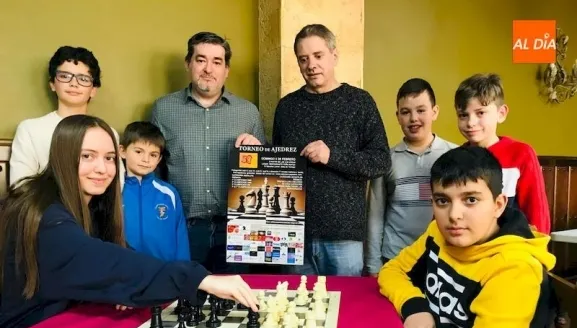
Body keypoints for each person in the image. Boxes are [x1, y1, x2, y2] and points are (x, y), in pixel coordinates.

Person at [0, 115, 258, 328]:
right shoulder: (44, 213)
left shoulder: (93, 205)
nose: (102, 169)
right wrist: (198, 278)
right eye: (87, 156)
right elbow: (97, 259)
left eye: (109, 158)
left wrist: (131, 285)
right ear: (63, 157)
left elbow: (117, 252)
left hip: (54, 327)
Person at [378, 146, 556, 328]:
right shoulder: (438, 233)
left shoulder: (514, 270)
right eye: (442, 201)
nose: (454, 215)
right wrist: (414, 306)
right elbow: (392, 270)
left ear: (498, 204)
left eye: (470, 200)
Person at [272, 24, 390, 276]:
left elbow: (380, 161)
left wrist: (332, 156)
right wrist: (255, 152)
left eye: (318, 56)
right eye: (303, 59)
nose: (311, 65)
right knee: (294, 301)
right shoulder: (287, 108)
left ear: (334, 56)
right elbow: (278, 168)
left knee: (345, 301)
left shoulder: (360, 102)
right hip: (292, 234)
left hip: (343, 237)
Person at [151, 32, 266, 274]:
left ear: (227, 70)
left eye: (217, 62)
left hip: (237, 228)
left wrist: (259, 154)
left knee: (234, 296)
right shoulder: (163, 109)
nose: (208, 69)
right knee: (184, 294)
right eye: (201, 60)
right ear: (188, 63)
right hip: (183, 228)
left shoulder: (248, 112)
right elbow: (153, 171)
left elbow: (265, 178)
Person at [365, 78, 457, 276]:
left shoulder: (455, 155)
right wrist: (373, 266)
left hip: (442, 258)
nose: (413, 118)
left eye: (421, 110)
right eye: (406, 112)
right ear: (398, 117)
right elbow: (375, 215)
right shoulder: (385, 159)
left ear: (435, 112)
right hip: (395, 258)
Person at [9, 46, 123, 187]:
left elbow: (117, 185)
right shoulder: (30, 130)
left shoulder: (107, 133)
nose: (74, 83)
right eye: (65, 76)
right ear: (52, 84)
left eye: (83, 79)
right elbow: (20, 187)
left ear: (93, 89)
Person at [455, 73, 550, 234]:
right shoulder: (457, 158)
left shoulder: (521, 154)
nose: (471, 122)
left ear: (501, 113)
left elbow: (537, 211)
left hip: (511, 245)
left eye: (480, 113)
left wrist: (537, 247)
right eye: (463, 115)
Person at [120, 121, 189, 261]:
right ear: (122, 151)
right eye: (138, 152)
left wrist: (183, 270)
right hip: (123, 269)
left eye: (153, 155)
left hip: (163, 270)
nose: (145, 159)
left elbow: (181, 237)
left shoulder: (169, 193)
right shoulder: (114, 190)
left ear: (159, 159)